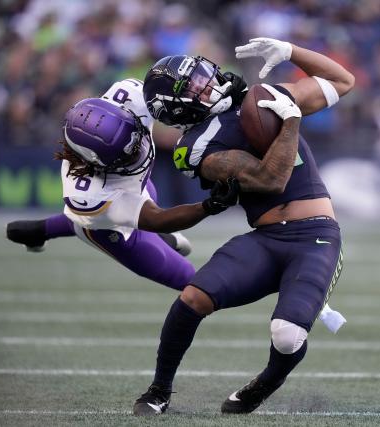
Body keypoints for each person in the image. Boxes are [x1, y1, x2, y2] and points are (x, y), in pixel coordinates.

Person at [135, 37, 354, 415]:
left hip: (314, 236)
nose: (206, 82)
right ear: (178, 107)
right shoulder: (196, 147)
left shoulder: (265, 96)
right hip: (267, 238)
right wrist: (291, 121)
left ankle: (265, 382)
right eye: (191, 86)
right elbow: (272, 180)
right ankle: (159, 390)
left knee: (287, 336)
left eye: (201, 74)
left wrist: (290, 52)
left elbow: (343, 81)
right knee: (192, 299)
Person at [6, 77, 239, 291]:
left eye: (135, 140)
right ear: (97, 163)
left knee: (150, 201)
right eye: (127, 155)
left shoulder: (131, 97)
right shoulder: (90, 195)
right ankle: (41, 230)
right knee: (191, 281)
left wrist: (223, 94)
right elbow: (156, 219)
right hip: (110, 228)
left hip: (135, 191)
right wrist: (210, 205)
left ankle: (38, 231)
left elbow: (180, 91)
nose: (139, 152)